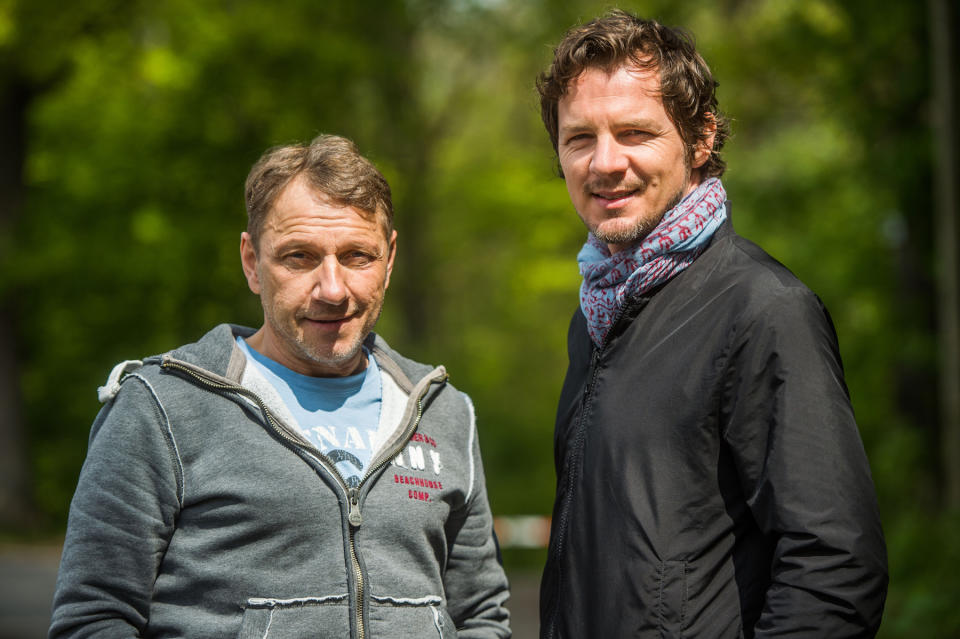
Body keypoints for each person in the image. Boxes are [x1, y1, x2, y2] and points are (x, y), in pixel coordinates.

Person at [49, 134, 511, 638]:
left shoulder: (444, 412)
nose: (333, 289)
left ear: (391, 259)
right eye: (299, 257)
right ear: (251, 262)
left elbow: (479, 615)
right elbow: (94, 618)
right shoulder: (162, 408)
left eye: (358, 256)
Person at [535, 10, 887, 638]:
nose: (604, 163)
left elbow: (834, 571)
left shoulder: (764, 309)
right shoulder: (596, 315)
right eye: (580, 138)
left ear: (700, 140)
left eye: (635, 133)